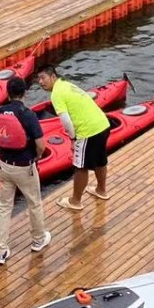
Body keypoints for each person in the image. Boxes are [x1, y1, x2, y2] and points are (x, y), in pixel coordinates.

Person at [0, 76, 51, 263]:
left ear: (7, 93)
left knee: (4, 207)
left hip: (4, 165)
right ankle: (38, 239)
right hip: (25, 167)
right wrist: (36, 157)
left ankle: (1, 251)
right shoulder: (27, 115)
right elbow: (41, 145)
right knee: (34, 203)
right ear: (25, 93)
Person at [36, 66, 112, 209]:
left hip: (88, 131)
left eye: (43, 78)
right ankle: (101, 190)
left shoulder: (56, 93)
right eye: (38, 79)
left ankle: (75, 201)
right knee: (100, 160)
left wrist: (73, 138)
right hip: (103, 124)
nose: (40, 82)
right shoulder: (67, 84)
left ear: (53, 77)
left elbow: (65, 120)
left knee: (80, 167)